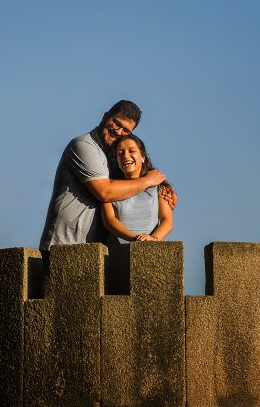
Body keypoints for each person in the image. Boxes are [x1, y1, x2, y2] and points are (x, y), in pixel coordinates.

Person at [38, 100, 175, 268]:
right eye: (116, 123)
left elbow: (130, 180)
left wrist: (164, 187)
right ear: (105, 117)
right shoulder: (83, 146)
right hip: (64, 245)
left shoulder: (113, 156)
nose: (118, 131)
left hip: (93, 252)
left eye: (126, 130)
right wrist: (148, 181)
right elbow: (105, 191)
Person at [100, 134, 174, 293]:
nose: (125, 156)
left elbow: (167, 220)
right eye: (120, 153)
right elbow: (109, 221)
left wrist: (153, 239)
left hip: (149, 257)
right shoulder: (110, 188)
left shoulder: (159, 188)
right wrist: (135, 239)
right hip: (117, 258)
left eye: (131, 151)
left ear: (142, 156)